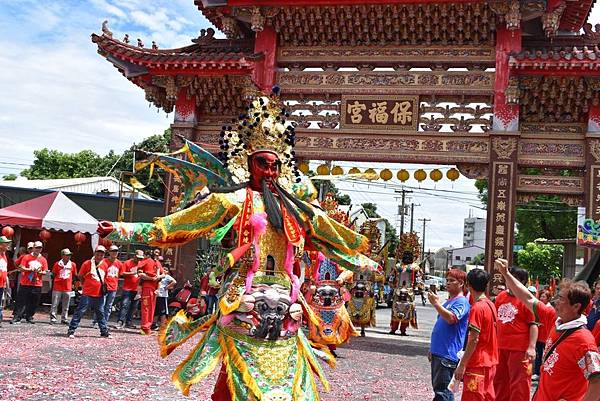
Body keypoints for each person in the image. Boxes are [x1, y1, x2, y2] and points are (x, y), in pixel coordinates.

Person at [97, 90, 380, 400]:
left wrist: (358, 255)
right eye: (262, 164)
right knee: (236, 371)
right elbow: (177, 225)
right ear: (248, 163)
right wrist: (122, 230)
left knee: (287, 377)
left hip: (287, 297)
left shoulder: (295, 208)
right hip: (244, 294)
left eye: (275, 166)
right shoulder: (230, 199)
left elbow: (328, 235)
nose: (270, 171)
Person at [495, 258, 600, 401]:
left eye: (561, 299)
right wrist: (506, 273)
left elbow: (597, 381)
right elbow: (528, 298)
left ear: (576, 306)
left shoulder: (584, 341)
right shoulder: (553, 319)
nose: (555, 302)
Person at [493, 267, 538, 401]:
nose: (509, 281)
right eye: (508, 277)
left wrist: (531, 347)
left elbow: (534, 324)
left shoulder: (527, 300)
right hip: (500, 347)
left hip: (519, 350)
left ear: (523, 282)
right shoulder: (501, 296)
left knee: (519, 384)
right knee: (500, 381)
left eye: (514, 279)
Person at [454, 268, 498, 401]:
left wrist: (462, 364)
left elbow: (473, 339)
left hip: (477, 363)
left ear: (468, 285)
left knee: (473, 397)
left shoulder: (478, 308)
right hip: (490, 362)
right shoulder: (490, 305)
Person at [428, 269, 470, 401]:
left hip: (447, 353)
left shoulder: (461, 302)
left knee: (443, 392)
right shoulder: (449, 301)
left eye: (452, 280)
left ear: (461, 283)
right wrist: (432, 348)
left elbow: (452, 319)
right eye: (447, 280)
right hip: (439, 351)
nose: (447, 283)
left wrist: (436, 303)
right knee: (439, 390)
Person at [67, 245, 110, 338]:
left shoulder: (105, 265)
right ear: (95, 253)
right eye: (98, 253)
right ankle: (71, 329)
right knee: (80, 311)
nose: (100, 256)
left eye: (102, 254)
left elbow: (105, 278)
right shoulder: (87, 263)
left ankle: (104, 331)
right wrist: (85, 284)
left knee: (100, 312)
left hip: (99, 293)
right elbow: (80, 275)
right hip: (88, 292)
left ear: (104, 255)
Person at [12, 240, 48, 324]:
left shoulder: (43, 259)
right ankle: (17, 316)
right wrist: (30, 269)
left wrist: (40, 272)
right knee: (21, 300)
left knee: (34, 301)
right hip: (25, 282)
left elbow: (45, 271)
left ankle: (29, 316)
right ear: (33, 248)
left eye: (40, 248)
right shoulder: (26, 257)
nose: (38, 249)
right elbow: (21, 267)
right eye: (36, 247)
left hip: (37, 283)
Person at [93, 245, 122, 328]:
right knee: (100, 305)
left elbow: (119, 275)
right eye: (112, 251)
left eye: (116, 251)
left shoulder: (119, 264)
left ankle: (104, 322)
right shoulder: (103, 261)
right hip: (104, 286)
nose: (114, 253)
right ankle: (96, 321)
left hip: (113, 287)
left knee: (108, 306)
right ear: (109, 252)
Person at [50, 248, 78, 324]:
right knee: (55, 304)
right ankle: (53, 318)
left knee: (66, 305)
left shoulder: (73, 264)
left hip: (67, 287)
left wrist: (74, 285)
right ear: (62, 256)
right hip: (57, 286)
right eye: (67, 255)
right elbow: (53, 274)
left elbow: (75, 275)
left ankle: (64, 318)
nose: (68, 257)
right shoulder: (57, 264)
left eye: (69, 255)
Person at [116, 249, 143, 329]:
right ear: (134, 256)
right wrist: (133, 273)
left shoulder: (142, 264)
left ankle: (129, 322)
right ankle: (120, 321)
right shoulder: (127, 263)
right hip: (127, 288)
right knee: (124, 305)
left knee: (134, 307)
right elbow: (122, 273)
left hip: (137, 289)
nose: (139, 260)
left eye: (141, 258)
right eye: (138, 258)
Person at [532, 289, 555, 381]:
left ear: (548, 298)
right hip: (539, 335)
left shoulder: (551, 310)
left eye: (544, 296)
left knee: (547, 356)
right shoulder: (538, 308)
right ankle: (537, 372)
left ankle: (546, 373)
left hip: (547, 336)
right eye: (541, 296)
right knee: (538, 356)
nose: (541, 298)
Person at [138, 249, 161, 335]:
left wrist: (158, 277)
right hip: (147, 287)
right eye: (155, 252)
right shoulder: (146, 261)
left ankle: (148, 327)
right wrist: (151, 278)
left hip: (154, 288)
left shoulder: (158, 263)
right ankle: (144, 328)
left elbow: (163, 274)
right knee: (146, 307)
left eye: (158, 253)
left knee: (151, 308)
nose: (157, 254)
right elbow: (140, 273)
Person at [0, 236, 12, 327]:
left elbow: (4, 270)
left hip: (1, 284)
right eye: (6, 243)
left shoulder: (4, 256)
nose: (8, 245)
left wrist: (6, 283)